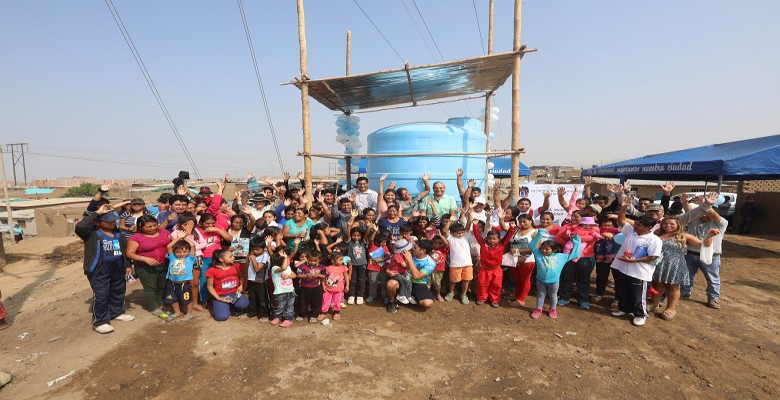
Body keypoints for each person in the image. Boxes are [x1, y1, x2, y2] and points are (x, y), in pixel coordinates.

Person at [76, 204, 135, 334]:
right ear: (98, 222)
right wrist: (97, 212)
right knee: (102, 294)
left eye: (114, 220)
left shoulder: (118, 233)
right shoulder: (91, 233)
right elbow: (80, 226)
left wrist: (128, 265)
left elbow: (124, 250)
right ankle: (100, 321)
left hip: (117, 266)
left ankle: (117, 312)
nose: (113, 223)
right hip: (100, 268)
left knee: (118, 291)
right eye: (109, 221)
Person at [651, 216, 718, 320]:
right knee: (657, 285)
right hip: (658, 264)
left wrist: (709, 236)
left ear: (678, 225)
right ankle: (654, 305)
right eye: (665, 223)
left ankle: (671, 308)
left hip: (675, 265)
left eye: (672, 224)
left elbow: (703, 245)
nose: (668, 225)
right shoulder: (657, 234)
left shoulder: (683, 236)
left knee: (672, 287)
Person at [610, 196, 662, 327]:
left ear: (649, 227)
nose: (635, 226)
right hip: (623, 268)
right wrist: (624, 207)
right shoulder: (631, 232)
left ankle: (640, 314)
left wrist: (634, 261)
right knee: (623, 291)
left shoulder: (654, 240)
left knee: (639, 295)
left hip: (640, 273)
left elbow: (653, 257)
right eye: (636, 223)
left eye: (639, 225)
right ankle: (624, 309)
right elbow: (621, 220)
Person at [681, 197, 728, 309]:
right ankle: (685, 292)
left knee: (712, 278)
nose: (704, 214)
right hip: (691, 253)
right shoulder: (694, 220)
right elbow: (689, 212)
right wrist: (685, 202)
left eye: (707, 212)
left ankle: (713, 299)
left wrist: (706, 204)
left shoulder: (721, 224)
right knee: (687, 275)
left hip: (711, 256)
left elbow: (714, 215)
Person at [528, 232, 582, 319]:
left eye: (547, 249)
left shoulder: (561, 257)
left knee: (553, 295)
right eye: (542, 248)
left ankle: (553, 309)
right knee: (541, 294)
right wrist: (539, 234)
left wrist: (576, 242)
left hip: (554, 281)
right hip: (540, 280)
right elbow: (531, 246)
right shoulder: (538, 254)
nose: (543, 250)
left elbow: (575, 254)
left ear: (554, 250)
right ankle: (538, 309)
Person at [125, 215, 171, 315]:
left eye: (155, 225)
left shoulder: (164, 232)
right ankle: (153, 307)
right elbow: (129, 253)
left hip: (165, 264)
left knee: (162, 285)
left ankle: (160, 303)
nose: (153, 228)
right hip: (145, 266)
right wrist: (144, 258)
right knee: (150, 287)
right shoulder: (136, 237)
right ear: (141, 227)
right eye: (149, 226)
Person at [555, 213, 601, 309]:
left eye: (577, 217)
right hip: (569, 255)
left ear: (583, 219)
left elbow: (593, 238)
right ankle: (564, 297)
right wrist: (570, 244)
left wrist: (576, 239)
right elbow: (558, 238)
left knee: (583, 278)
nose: (574, 218)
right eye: (573, 216)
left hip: (585, 256)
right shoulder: (568, 227)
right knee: (567, 277)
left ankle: (583, 299)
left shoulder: (593, 227)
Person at [472, 209, 516, 307]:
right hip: (484, 269)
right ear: (486, 238)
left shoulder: (501, 244)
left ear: (498, 239)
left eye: (494, 239)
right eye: (490, 239)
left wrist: (512, 228)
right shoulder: (483, 244)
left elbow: (508, 236)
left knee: (496, 285)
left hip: (496, 270)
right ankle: (482, 298)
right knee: (483, 285)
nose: (492, 240)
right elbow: (477, 235)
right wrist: (475, 225)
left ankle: (494, 300)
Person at [205, 248, 249, 321]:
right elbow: (209, 286)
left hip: (235, 293)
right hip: (221, 296)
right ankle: (223, 306)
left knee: (243, 304)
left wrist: (241, 285)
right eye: (230, 257)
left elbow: (241, 277)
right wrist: (218, 298)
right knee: (221, 317)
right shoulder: (212, 270)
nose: (233, 258)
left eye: (232, 256)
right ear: (221, 259)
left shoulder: (236, 266)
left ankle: (233, 307)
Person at [162, 233, 197, 322]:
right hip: (172, 283)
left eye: (185, 251)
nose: (182, 254)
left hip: (184, 284)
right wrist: (178, 238)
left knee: (187, 299)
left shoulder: (190, 258)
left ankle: (189, 313)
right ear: (174, 252)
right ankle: (177, 312)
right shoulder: (172, 257)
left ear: (188, 252)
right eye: (178, 252)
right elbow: (169, 246)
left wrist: (184, 237)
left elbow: (192, 245)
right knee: (173, 299)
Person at [507, 213, 538, 307]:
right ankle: (517, 296)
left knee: (525, 279)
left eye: (524, 221)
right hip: (514, 259)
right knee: (518, 278)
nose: (522, 223)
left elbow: (535, 248)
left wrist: (518, 250)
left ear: (531, 221)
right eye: (520, 221)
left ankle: (522, 299)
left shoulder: (535, 232)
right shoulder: (517, 230)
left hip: (527, 260)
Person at [383, 239, 415, 307]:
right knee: (404, 282)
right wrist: (409, 260)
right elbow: (404, 265)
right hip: (396, 273)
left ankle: (408, 295)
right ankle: (401, 295)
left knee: (408, 282)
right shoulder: (397, 255)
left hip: (402, 273)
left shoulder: (402, 255)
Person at [297, 250, 326, 323]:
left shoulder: (321, 267)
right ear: (307, 259)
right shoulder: (302, 266)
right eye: (310, 260)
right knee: (303, 302)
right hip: (304, 287)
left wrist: (318, 275)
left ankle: (314, 315)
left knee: (316, 302)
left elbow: (325, 276)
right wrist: (306, 275)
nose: (312, 262)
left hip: (316, 288)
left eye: (315, 261)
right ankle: (301, 314)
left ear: (320, 260)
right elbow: (298, 275)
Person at [246, 240, 271, 321]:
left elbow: (257, 269)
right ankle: (252, 312)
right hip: (251, 280)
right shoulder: (252, 254)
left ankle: (264, 315)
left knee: (262, 300)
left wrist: (253, 259)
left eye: (257, 249)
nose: (255, 251)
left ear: (263, 249)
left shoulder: (264, 255)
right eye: (253, 249)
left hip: (261, 281)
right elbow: (247, 265)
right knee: (252, 298)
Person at [270, 250, 296, 327]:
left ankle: (288, 319)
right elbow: (283, 268)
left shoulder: (288, 268)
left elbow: (294, 275)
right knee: (279, 306)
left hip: (290, 290)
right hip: (280, 292)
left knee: (289, 306)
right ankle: (277, 317)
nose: (288, 260)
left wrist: (289, 276)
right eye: (287, 259)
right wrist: (285, 257)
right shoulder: (274, 268)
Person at [322, 252, 349, 320]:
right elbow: (323, 277)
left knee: (337, 301)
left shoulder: (343, 267)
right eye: (340, 260)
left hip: (339, 289)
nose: (342, 261)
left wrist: (347, 285)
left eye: (342, 259)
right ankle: (323, 312)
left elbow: (346, 276)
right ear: (332, 261)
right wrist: (323, 285)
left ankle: (336, 312)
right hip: (328, 289)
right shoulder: (327, 268)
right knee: (325, 300)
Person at [345, 228, 368, 305]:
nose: (356, 237)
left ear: (361, 236)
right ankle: (351, 295)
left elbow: (367, 234)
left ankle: (360, 295)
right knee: (352, 280)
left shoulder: (363, 242)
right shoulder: (350, 242)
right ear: (351, 236)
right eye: (354, 235)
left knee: (361, 280)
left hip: (362, 264)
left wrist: (369, 227)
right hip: (352, 265)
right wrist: (349, 224)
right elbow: (347, 233)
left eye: (358, 235)